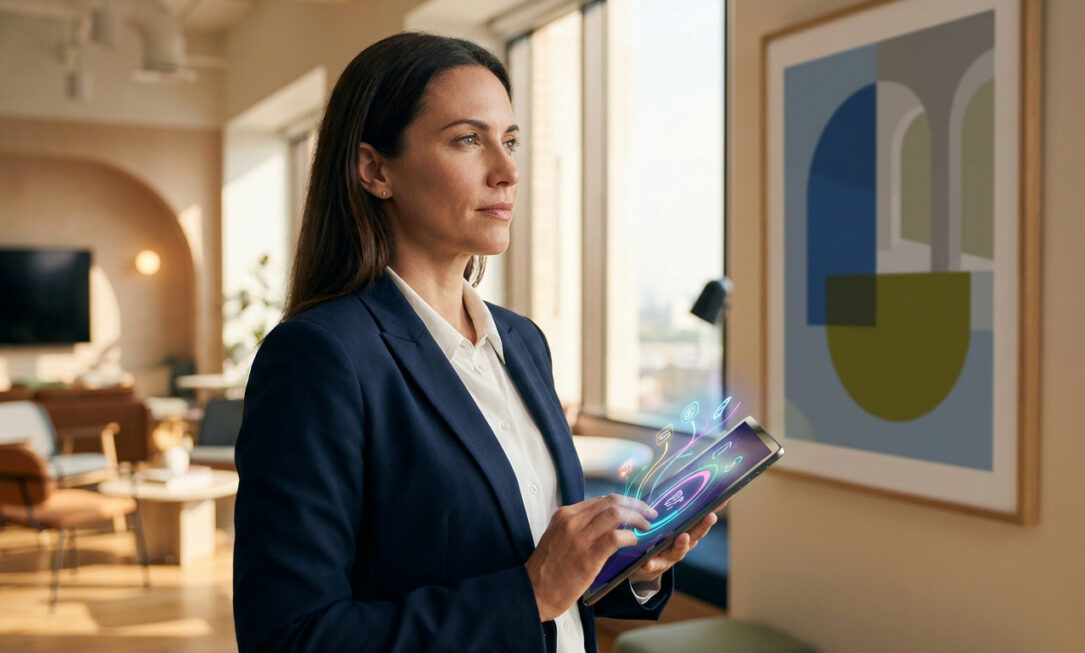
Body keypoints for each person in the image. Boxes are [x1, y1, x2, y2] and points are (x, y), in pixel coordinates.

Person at [232, 32, 720, 653]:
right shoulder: (320, 359)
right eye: (468, 140)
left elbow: (541, 568)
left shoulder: (523, 342)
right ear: (375, 170)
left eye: (510, 141)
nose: (507, 171)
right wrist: (531, 591)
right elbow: (289, 638)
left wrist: (629, 565)